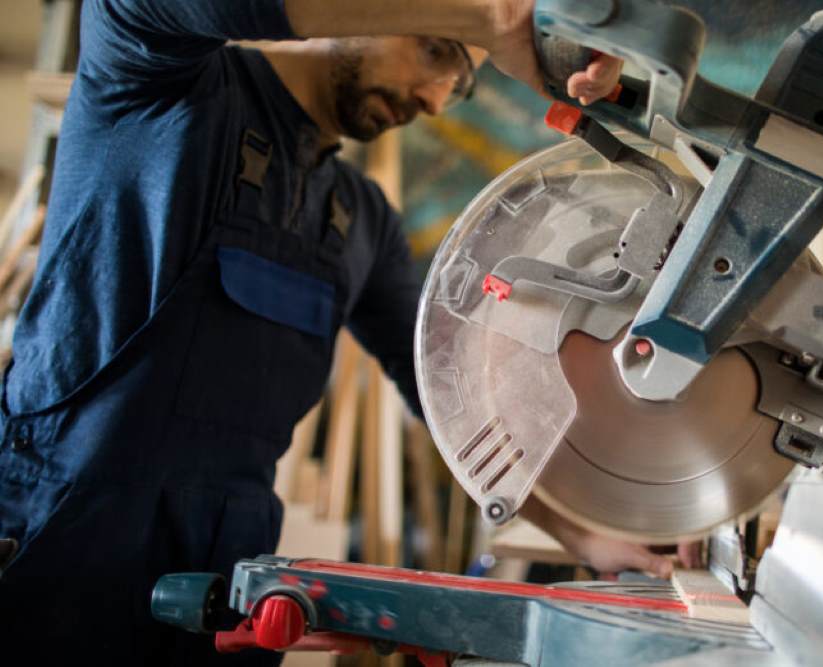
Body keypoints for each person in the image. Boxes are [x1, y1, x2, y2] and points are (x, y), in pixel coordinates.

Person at [0, 1, 691, 663]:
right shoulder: (158, 84)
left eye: (458, 85)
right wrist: (485, 17)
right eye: (434, 51)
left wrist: (582, 530)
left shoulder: (362, 221)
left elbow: (450, 397)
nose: (433, 100)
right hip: (69, 521)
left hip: (230, 561)